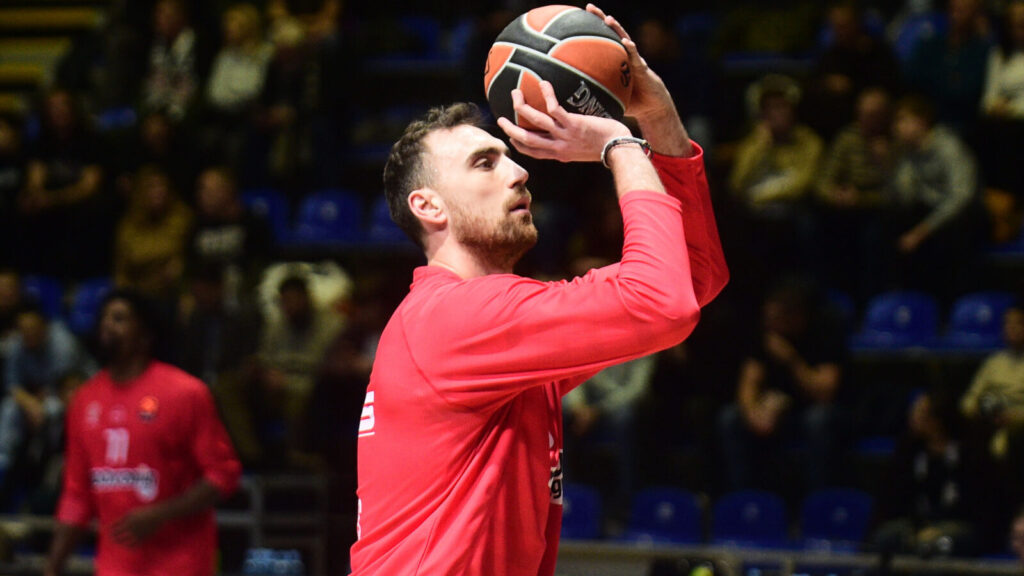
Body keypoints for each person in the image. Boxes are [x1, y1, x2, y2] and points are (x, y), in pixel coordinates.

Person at [348, 5, 729, 574]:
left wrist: (659, 119)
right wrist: (621, 146)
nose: (519, 171)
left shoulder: (494, 328)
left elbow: (691, 279)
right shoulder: (461, 319)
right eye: (485, 163)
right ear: (427, 207)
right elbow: (664, 302)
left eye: (510, 157)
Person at [44, 289, 241, 576]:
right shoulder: (84, 400)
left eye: (119, 318)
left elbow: (223, 475)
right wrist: (52, 567)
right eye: (104, 318)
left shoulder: (186, 393)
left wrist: (161, 514)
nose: (107, 325)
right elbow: (76, 495)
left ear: (145, 335)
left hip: (180, 564)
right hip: (116, 567)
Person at [716, 276, 846, 493]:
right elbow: (748, 385)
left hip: (818, 410)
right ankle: (745, 502)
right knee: (730, 418)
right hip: (774, 412)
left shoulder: (823, 332)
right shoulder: (766, 336)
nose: (770, 317)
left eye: (778, 313)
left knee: (818, 420)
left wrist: (791, 360)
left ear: (797, 314)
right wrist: (754, 414)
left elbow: (824, 392)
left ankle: (818, 502)